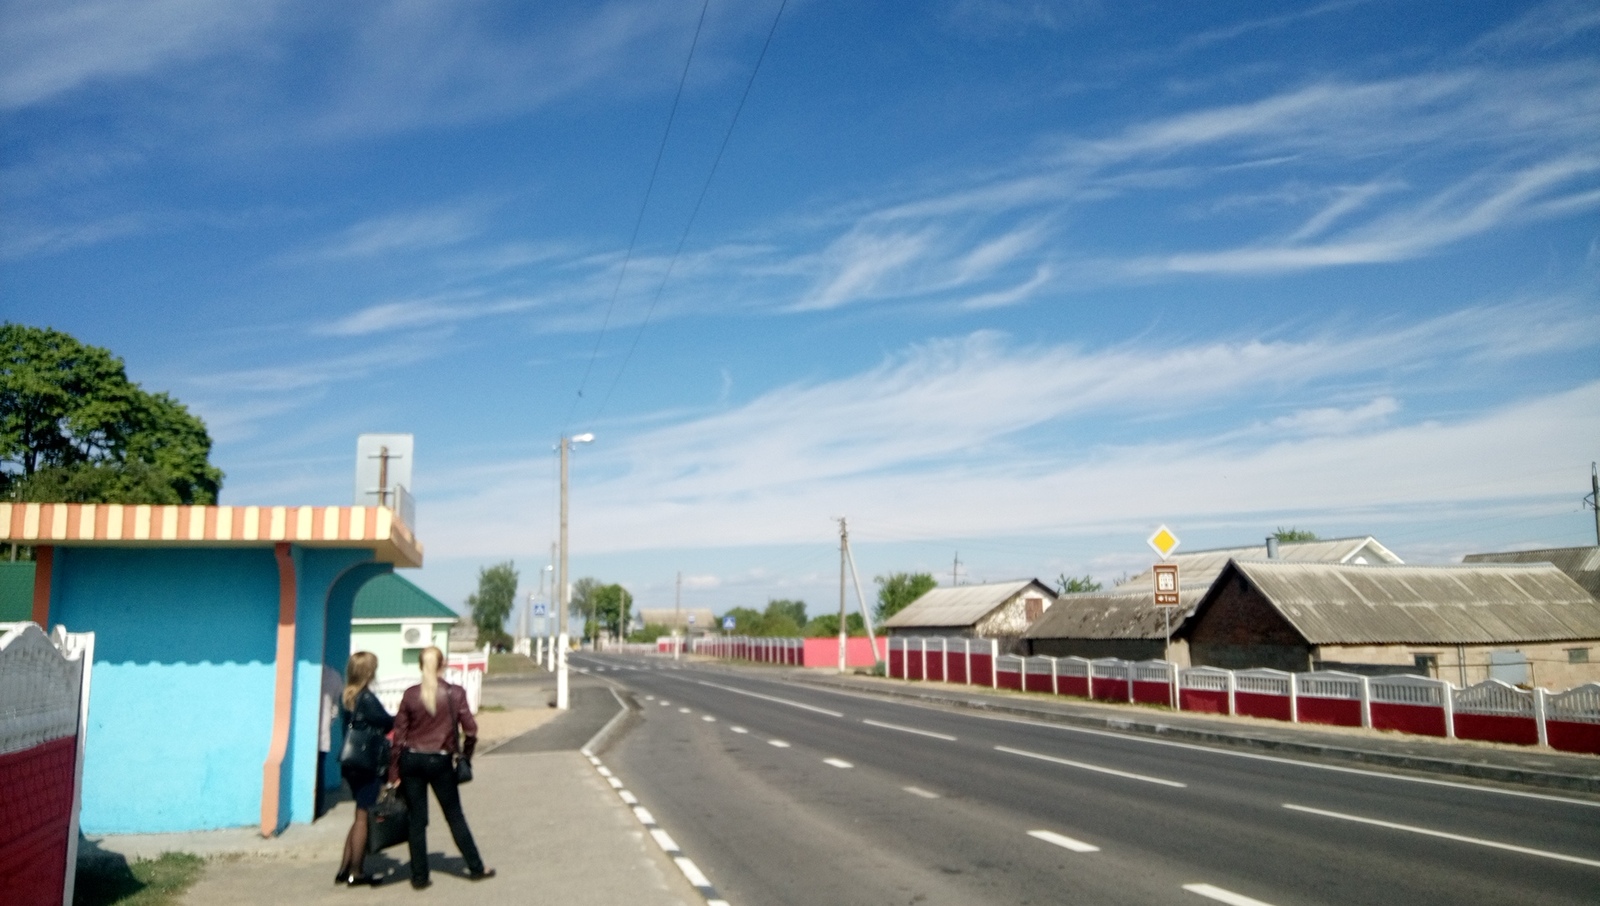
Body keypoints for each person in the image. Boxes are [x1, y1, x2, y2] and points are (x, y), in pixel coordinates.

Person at [388, 646, 494, 889]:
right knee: (454, 815)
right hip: (441, 761)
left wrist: (394, 772)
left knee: (417, 819)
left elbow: (399, 737)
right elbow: (471, 731)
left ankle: (419, 877)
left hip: (412, 760)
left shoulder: (410, 695)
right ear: (443, 664)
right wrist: (466, 756)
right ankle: (476, 867)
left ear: (419, 665)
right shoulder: (454, 693)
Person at [336, 651, 393, 886]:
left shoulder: (347, 696)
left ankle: (344, 869)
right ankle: (356, 873)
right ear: (369, 672)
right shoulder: (366, 698)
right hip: (366, 765)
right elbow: (388, 721)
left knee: (358, 814)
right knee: (363, 817)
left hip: (352, 764)